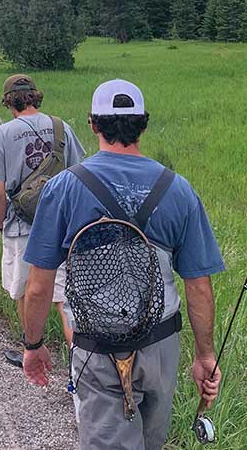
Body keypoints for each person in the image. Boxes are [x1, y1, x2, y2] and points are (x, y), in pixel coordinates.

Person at [19, 79, 225, 449]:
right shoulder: (178, 189)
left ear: (93, 124)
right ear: (142, 125)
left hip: (96, 349)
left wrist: (33, 344)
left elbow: (39, 285)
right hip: (161, 345)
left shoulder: (63, 187)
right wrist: (205, 355)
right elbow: (199, 286)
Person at [0, 74, 86, 368]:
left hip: (20, 226)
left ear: (9, 101)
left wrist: (1, 221)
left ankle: (31, 347)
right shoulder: (61, 127)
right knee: (64, 298)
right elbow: (79, 175)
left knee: (26, 290)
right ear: (34, 96)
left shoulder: (1, 135)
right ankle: (81, 363)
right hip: (62, 227)